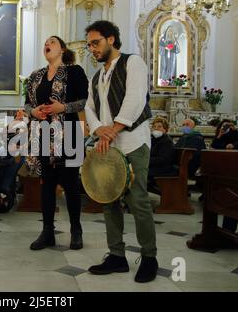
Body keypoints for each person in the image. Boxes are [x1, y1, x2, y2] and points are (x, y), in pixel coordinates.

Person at [84, 20, 158, 283]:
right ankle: (117, 256)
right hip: (108, 144)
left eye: (96, 42)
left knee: (138, 200)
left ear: (111, 39)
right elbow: (89, 108)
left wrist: (112, 129)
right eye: (89, 44)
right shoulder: (97, 75)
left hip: (133, 141)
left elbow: (135, 100)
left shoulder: (132, 63)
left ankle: (149, 258)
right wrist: (98, 131)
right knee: (108, 200)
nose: (92, 48)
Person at [24, 35, 88, 251]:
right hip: (42, 133)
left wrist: (64, 108)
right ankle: (47, 232)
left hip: (69, 132)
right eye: (45, 43)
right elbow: (26, 105)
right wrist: (33, 111)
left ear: (62, 49)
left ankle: (76, 230)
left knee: (70, 185)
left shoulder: (74, 72)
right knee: (47, 185)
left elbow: (85, 101)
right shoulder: (35, 76)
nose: (47, 44)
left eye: (52, 41)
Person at [148, 116, 177, 192]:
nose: (156, 128)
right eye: (154, 126)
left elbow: (163, 160)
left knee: (140, 173)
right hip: (156, 167)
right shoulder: (153, 140)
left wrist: (146, 161)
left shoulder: (166, 141)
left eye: (159, 126)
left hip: (164, 169)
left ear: (165, 129)